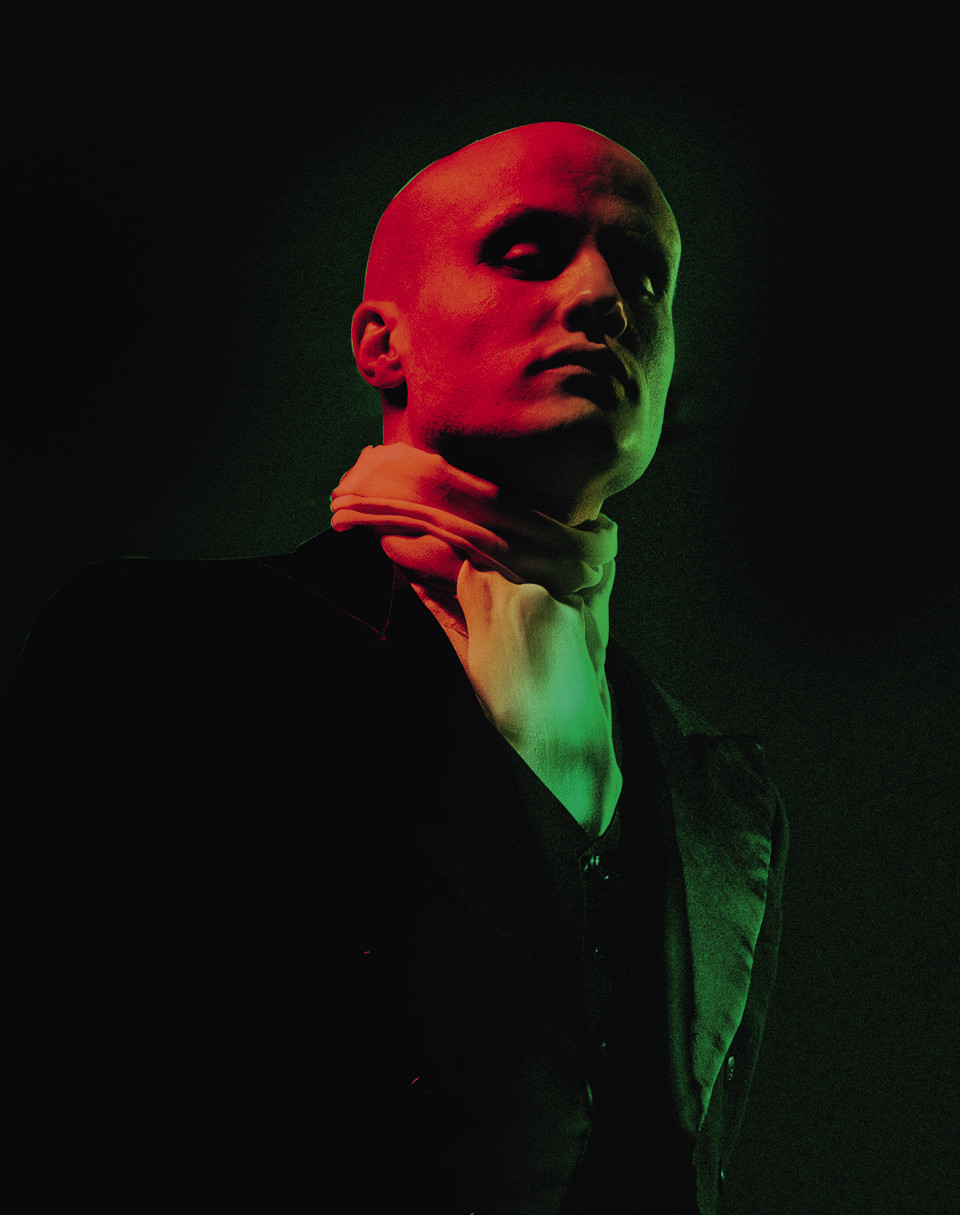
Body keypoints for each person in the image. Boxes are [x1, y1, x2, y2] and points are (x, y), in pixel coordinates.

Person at [3, 122, 787, 1212]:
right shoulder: (158, 654)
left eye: (645, 277)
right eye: (527, 252)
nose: (606, 296)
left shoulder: (719, 790)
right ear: (382, 343)